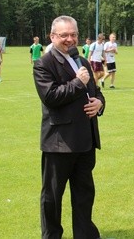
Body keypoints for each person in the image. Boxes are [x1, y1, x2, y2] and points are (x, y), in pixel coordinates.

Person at [33, 15, 105, 238]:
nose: (70, 39)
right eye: (64, 35)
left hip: (85, 140)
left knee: (84, 193)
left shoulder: (82, 61)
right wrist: (77, 83)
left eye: (73, 34)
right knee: (52, 197)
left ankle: (85, 234)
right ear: (52, 36)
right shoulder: (43, 64)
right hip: (59, 142)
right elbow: (51, 97)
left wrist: (100, 104)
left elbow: (95, 91)